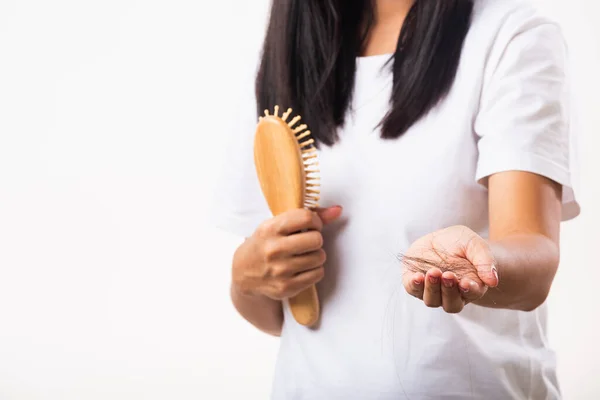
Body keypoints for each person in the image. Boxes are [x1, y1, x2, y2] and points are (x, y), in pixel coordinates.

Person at [212, 0, 581, 398]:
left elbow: (534, 259)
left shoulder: (510, 36)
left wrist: (477, 264)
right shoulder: (289, 55)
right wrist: (247, 278)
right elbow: (279, 318)